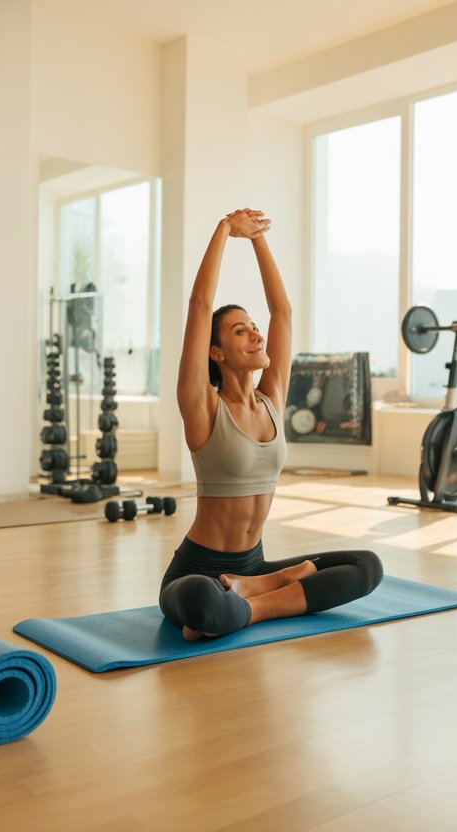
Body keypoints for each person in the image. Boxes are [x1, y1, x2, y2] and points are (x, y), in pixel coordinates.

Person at [159, 208, 384, 640]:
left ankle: (254, 599)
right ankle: (264, 595)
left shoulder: (272, 400)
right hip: (199, 570)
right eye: (240, 331)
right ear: (216, 353)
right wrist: (224, 229)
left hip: (253, 565)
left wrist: (258, 239)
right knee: (202, 603)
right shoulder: (202, 405)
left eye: (254, 328)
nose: (257, 336)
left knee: (367, 567)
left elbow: (282, 312)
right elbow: (200, 306)